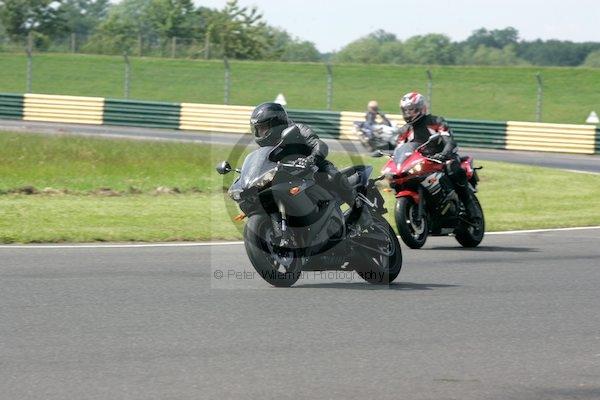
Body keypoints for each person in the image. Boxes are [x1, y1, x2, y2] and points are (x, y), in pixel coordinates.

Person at [249, 102, 356, 207]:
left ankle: (358, 206)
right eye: (258, 129)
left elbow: (319, 145)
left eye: (263, 128)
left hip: (313, 168)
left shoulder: (299, 130)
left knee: (332, 175)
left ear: (276, 123)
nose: (259, 133)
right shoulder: (266, 146)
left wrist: (311, 159)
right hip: (286, 174)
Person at [395, 92, 478, 219]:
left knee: (453, 168)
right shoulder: (404, 130)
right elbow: (399, 148)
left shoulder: (435, 121)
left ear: (421, 108)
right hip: (421, 163)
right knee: (400, 178)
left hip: (443, 158)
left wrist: (444, 154)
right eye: (405, 110)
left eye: (411, 110)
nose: (408, 113)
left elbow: (449, 141)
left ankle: (470, 206)